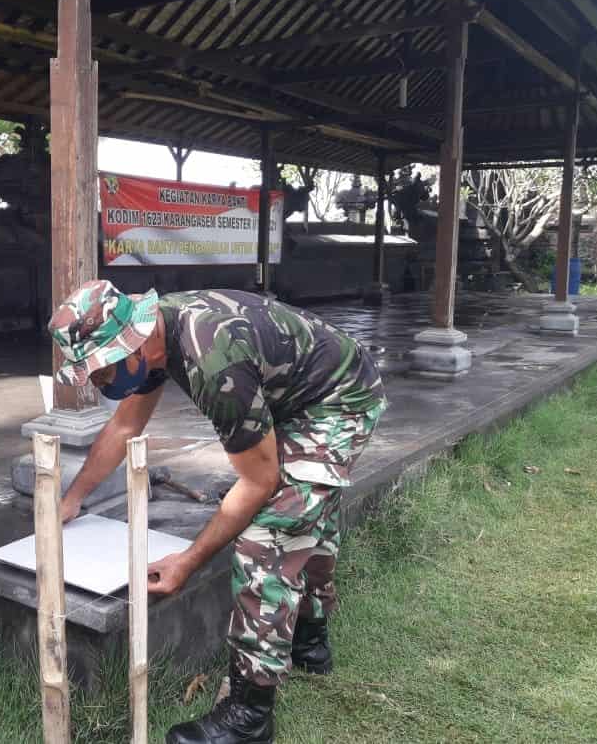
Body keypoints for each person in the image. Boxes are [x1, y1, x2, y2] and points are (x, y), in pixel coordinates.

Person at [49, 281, 387, 744]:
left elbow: (258, 482)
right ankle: (310, 639)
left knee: (267, 537)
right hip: (299, 392)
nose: (101, 382)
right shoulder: (154, 334)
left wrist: (187, 561)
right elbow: (126, 423)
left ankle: (250, 716)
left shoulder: (214, 360)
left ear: (133, 343)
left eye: (101, 372)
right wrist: (74, 496)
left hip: (339, 400)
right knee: (308, 513)